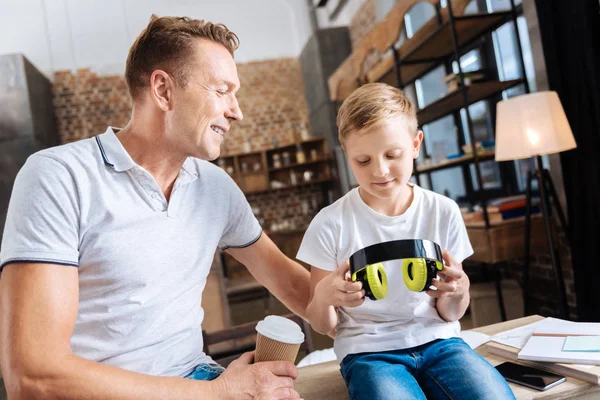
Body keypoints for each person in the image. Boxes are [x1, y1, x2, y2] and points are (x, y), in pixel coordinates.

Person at [0, 15, 309, 400]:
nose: (236, 111)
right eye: (222, 90)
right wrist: (221, 393)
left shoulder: (215, 188)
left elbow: (297, 286)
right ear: (163, 91)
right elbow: (33, 376)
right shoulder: (58, 177)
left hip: (196, 378)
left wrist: (371, 299)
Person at [298, 83, 515, 399]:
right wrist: (324, 297)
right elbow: (321, 323)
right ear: (346, 155)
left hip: (441, 342)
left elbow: (451, 313)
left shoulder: (442, 211)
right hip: (368, 353)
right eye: (363, 161)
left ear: (415, 144)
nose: (380, 170)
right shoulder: (330, 223)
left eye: (392, 155)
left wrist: (460, 290)